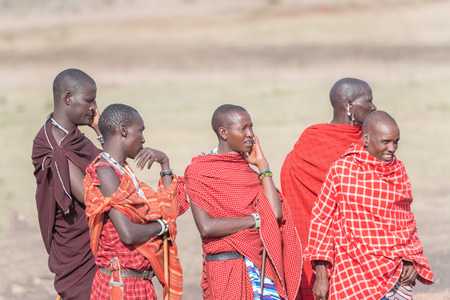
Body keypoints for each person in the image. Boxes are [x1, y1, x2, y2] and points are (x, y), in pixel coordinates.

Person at [306, 111, 434, 300]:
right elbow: (321, 220)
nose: (392, 148)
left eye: (396, 141)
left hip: (396, 275)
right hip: (353, 272)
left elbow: (405, 223)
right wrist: (322, 275)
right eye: (385, 142)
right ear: (366, 139)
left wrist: (410, 259)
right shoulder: (343, 170)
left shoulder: (398, 170)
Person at [181, 104, 302, 299]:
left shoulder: (249, 173)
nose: (250, 134)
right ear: (224, 133)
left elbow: (275, 213)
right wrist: (255, 220)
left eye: (251, 127)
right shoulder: (200, 171)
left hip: (261, 272)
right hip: (225, 270)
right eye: (243, 128)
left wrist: (263, 166)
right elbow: (206, 227)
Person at [280, 77, 376, 299]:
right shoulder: (311, 143)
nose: (373, 107)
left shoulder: (370, 140)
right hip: (321, 251)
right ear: (350, 105)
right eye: (369, 101)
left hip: (364, 250)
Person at [83, 104, 189, 300]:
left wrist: (164, 162)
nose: (143, 139)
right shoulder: (105, 171)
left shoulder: (123, 172)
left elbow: (169, 209)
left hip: (138, 284)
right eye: (140, 131)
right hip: (119, 287)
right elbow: (129, 234)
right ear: (123, 131)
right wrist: (162, 226)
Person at [32, 68, 103, 299]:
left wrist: (99, 131)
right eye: (89, 100)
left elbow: (109, 171)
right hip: (78, 254)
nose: (94, 107)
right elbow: (94, 197)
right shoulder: (55, 148)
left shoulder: (70, 134)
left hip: (92, 245)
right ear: (68, 98)